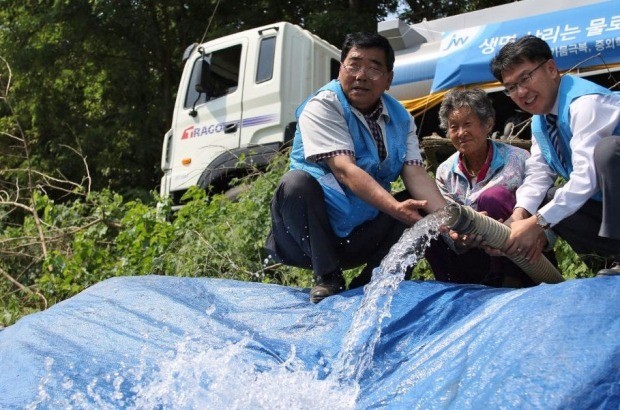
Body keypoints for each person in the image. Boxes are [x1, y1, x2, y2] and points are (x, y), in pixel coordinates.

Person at [264, 32, 447, 303]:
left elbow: (415, 173)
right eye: (354, 64)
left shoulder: (402, 117)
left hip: (361, 231)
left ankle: (374, 283)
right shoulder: (322, 106)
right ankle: (328, 278)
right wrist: (395, 208)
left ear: (389, 79)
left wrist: (449, 221)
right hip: (311, 238)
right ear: (340, 69)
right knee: (296, 183)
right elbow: (345, 170)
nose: (362, 75)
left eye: (374, 68)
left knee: (423, 211)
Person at [489, 35, 620, 276]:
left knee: (609, 151)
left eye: (525, 78)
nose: (521, 92)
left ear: (550, 68)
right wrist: (518, 217)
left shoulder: (586, 104)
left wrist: (536, 223)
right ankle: (611, 260)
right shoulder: (541, 120)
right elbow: (539, 172)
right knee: (549, 198)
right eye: (511, 88)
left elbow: (585, 178)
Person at [425, 88, 535, 287]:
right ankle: (451, 287)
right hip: (471, 256)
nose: (461, 133)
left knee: (493, 197)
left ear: (488, 124)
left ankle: (511, 282)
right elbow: (448, 219)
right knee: (427, 218)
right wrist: (457, 237)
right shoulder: (445, 171)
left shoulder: (518, 159)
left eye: (468, 124)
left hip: (519, 256)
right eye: (453, 127)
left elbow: (538, 209)